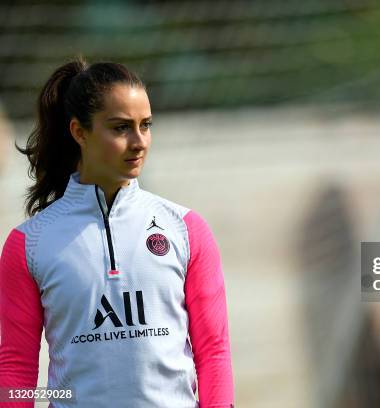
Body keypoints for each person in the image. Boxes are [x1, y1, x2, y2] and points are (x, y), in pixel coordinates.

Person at [0, 56, 234, 407]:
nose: (139, 141)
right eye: (121, 127)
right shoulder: (29, 244)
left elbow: (214, 350)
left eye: (146, 125)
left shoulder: (186, 229)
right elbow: (16, 369)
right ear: (79, 132)